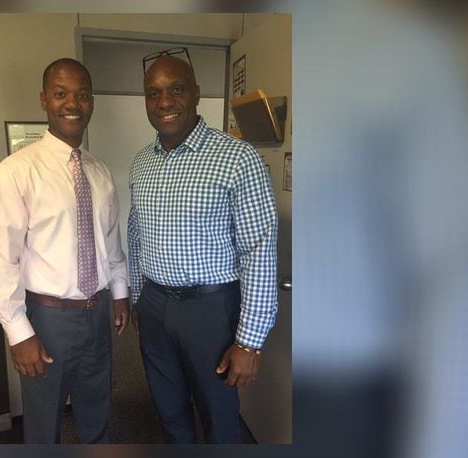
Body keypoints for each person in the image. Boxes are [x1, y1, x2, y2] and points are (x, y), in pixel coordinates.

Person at [127, 51, 279, 444]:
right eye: (153, 93)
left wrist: (249, 341)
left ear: (196, 93)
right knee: (168, 408)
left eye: (176, 89)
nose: (164, 102)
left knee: (218, 414)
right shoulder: (141, 163)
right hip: (155, 306)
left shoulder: (237, 158)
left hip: (209, 311)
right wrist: (140, 299)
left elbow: (258, 250)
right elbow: (136, 233)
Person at [0, 58, 130, 444]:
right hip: (47, 320)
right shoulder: (16, 171)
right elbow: (2, 260)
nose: (73, 103)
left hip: (97, 314)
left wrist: (119, 294)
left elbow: (110, 242)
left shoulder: (99, 172)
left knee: (96, 412)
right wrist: (19, 333)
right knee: (44, 421)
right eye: (61, 93)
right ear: (44, 100)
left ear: (91, 102)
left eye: (82, 95)